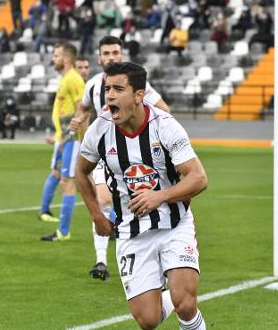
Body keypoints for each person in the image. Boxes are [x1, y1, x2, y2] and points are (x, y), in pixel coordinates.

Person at [75, 61, 208, 330]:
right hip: (130, 231)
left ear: (138, 95)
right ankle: (168, 297)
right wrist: (97, 216)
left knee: (185, 304)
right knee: (148, 320)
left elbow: (198, 177)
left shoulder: (166, 126)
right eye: (107, 88)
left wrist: (160, 196)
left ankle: (183, 301)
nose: (110, 95)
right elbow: (80, 172)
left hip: (174, 225)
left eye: (118, 89)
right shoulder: (99, 130)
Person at [69, 35, 170, 281]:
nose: (111, 57)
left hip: (137, 157)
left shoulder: (134, 84)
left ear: (121, 54)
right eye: (107, 53)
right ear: (99, 57)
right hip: (105, 153)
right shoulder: (93, 85)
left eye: (115, 52)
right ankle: (101, 260)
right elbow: (83, 107)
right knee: (102, 199)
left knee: (141, 205)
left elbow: (164, 110)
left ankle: (158, 258)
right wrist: (79, 118)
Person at [39, 43, 86, 242]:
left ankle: (63, 232)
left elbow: (82, 110)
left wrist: (83, 141)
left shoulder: (73, 79)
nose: (54, 58)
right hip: (66, 139)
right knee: (68, 181)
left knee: (69, 183)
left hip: (73, 139)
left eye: (57, 55)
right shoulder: (65, 79)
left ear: (66, 59)